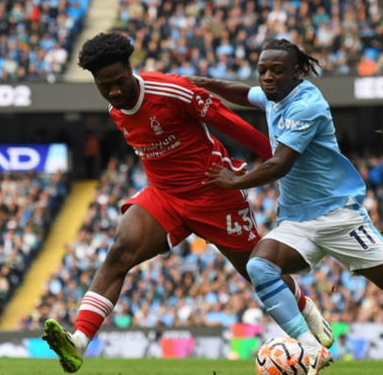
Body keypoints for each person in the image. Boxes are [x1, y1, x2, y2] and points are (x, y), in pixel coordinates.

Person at [190, 38, 383, 374]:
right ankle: (309, 348)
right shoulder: (273, 96)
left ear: (297, 73)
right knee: (259, 267)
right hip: (297, 221)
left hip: (340, 217)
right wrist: (201, 84)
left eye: (276, 71)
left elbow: (279, 165)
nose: (266, 77)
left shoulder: (306, 105)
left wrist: (234, 180)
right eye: (262, 70)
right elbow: (241, 93)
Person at [41, 32, 332, 373]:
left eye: (120, 82)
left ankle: (307, 311)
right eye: (105, 86)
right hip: (164, 196)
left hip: (214, 193)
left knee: (257, 271)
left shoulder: (170, 91)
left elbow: (229, 122)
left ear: (131, 69)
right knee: (120, 251)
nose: (115, 92)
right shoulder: (116, 109)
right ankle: (78, 342)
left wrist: (280, 158)